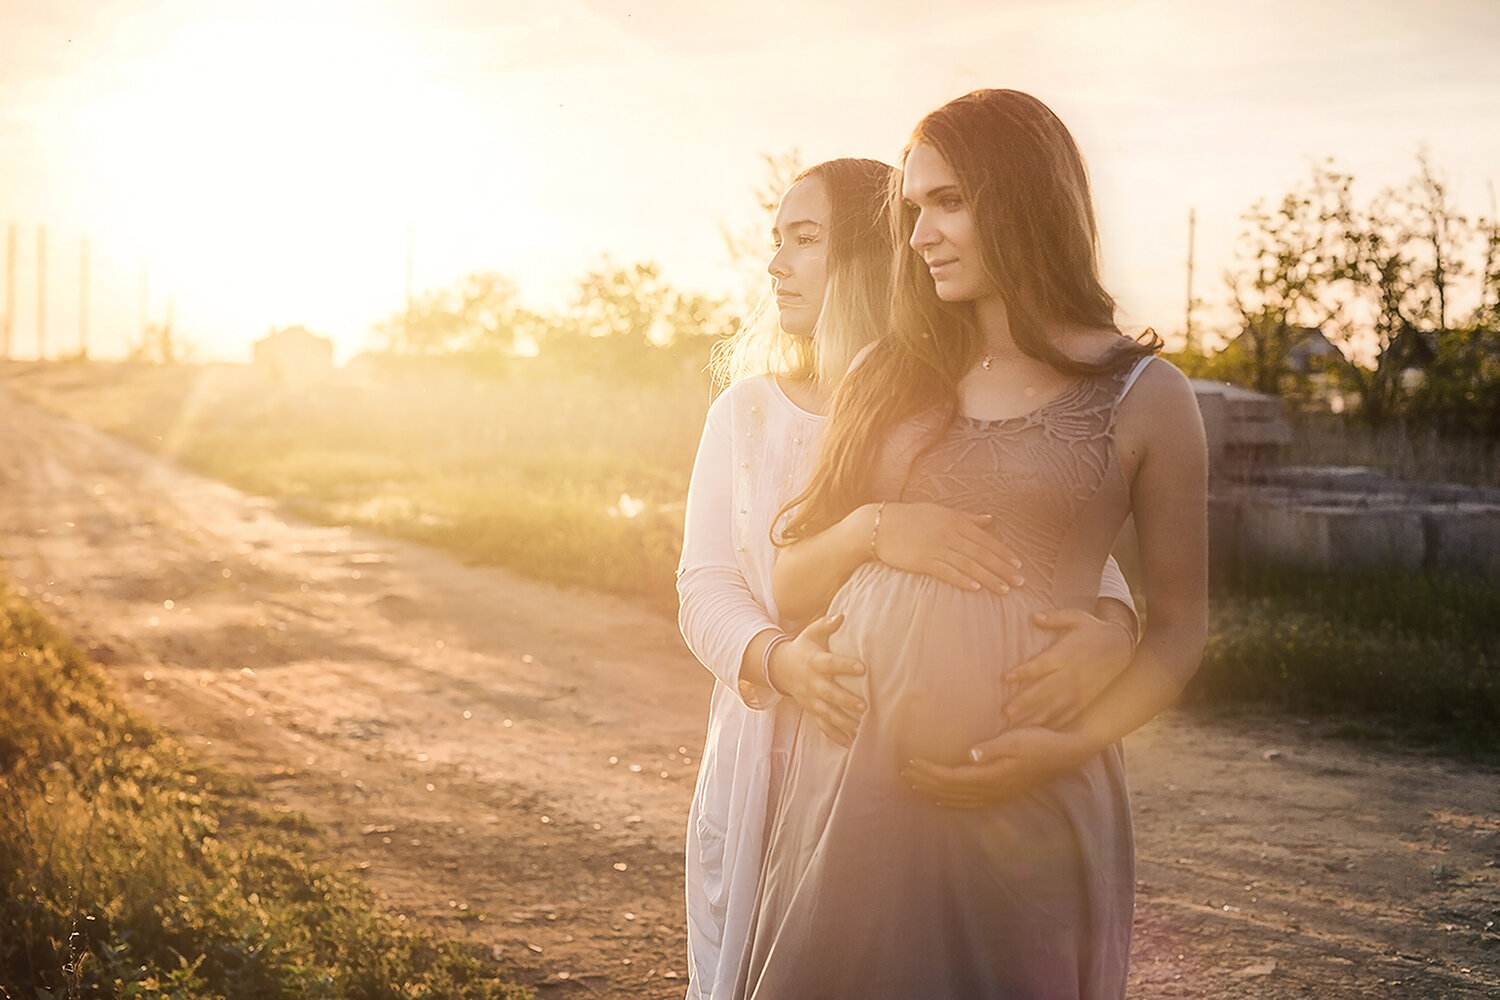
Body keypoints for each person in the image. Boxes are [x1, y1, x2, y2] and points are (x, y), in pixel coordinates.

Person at [740, 90, 1210, 999]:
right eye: (914, 209)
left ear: (1030, 198)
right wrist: (879, 529)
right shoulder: (890, 370)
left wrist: (1070, 744)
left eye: (949, 201)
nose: (920, 235)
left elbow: (1182, 630)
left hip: (1030, 799)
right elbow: (791, 585)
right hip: (855, 794)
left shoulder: (1147, 395)